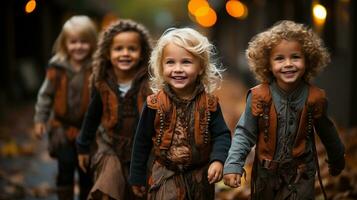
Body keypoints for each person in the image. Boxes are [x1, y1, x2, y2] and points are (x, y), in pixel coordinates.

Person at [223, 20, 345, 199]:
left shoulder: (315, 97)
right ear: (268, 64)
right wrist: (234, 164)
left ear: (308, 60)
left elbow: (328, 131)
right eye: (279, 58)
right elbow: (244, 133)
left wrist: (337, 158)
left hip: (301, 175)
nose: (288, 64)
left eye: (295, 57)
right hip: (266, 176)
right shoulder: (259, 96)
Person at [129, 27, 231, 200]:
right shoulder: (154, 104)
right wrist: (137, 177)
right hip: (165, 175)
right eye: (170, 62)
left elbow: (222, 135)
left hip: (200, 177)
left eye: (186, 62)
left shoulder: (209, 104)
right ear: (161, 67)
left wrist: (218, 160)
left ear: (200, 67)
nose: (177, 69)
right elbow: (141, 142)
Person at [76, 19, 152, 200]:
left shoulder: (149, 84)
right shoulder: (102, 82)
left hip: (141, 148)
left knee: (137, 191)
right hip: (109, 145)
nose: (125, 53)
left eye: (132, 49)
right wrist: (83, 146)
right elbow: (92, 116)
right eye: (118, 49)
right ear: (108, 53)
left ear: (142, 54)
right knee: (108, 184)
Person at [33, 15, 97, 200]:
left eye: (84, 42)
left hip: (89, 131)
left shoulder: (97, 67)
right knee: (65, 168)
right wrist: (40, 119)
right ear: (65, 43)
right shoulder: (57, 68)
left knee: (87, 171)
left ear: (92, 42)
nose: (78, 46)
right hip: (61, 128)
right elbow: (45, 95)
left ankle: (86, 195)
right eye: (73, 42)